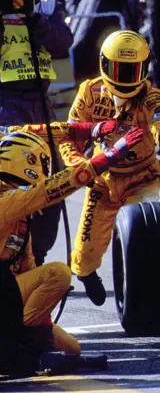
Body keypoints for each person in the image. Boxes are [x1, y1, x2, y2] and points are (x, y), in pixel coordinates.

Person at [0, 123, 143, 374]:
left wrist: (43, 316)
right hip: (5, 302)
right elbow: (48, 190)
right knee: (59, 273)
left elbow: (28, 266)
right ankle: (18, 343)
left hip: (7, 299)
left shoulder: (20, 214)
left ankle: (23, 342)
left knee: (71, 349)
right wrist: (103, 160)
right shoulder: (7, 201)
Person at [61, 31, 160, 306]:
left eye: (132, 70)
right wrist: (80, 166)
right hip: (102, 178)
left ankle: (144, 288)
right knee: (84, 253)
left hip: (142, 178)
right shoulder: (90, 92)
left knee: (142, 234)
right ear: (104, 65)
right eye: (119, 69)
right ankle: (86, 274)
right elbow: (70, 134)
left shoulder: (150, 94)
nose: (126, 77)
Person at [0, 0, 73, 267]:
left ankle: (39, 255)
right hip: (6, 103)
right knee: (14, 183)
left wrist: (35, 19)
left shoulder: (47, 4)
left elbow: (63, 42)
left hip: (41, 105)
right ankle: (10, 258)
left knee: (53, 183)